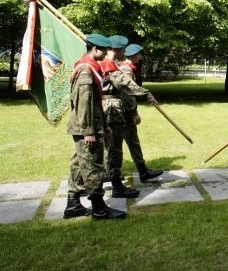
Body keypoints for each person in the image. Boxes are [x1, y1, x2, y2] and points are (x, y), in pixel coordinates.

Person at [65, 33, 126, 220]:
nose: (107, 53)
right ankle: (99, 208)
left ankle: (73, 204)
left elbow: (95, 102)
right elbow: (84, 103)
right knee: (93, 166)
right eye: (104, 50)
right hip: (86, 127)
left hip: (87, 125)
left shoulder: (89, 67)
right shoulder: (86, 70)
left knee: (78, 164)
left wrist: (105, 124)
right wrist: (89, 132)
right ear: (95, 49)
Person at [100, 35, 157, 198]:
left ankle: (115, 179)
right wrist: (145, 95)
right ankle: (116, 185)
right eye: (122, 49)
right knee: (114, 149)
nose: (124, 52)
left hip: (112, 108)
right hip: (113, 109)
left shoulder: (112, 64)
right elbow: (125, 86)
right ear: (116, 49)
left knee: (114, 148)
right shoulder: (110, 65)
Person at [119, 43, 164, 183]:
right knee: (129, 142)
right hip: (123, 112)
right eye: (137, 54)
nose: (139, 57)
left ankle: (139, 171)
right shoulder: (126, 70)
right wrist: (134, 113)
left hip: (118, 111)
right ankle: (139, 172)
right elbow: (128, 93)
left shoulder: (123, 67)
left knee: (122, 143)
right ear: (132, 56)